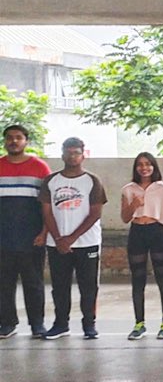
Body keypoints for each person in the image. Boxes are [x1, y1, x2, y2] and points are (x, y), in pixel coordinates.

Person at [39, 137, 107, 339]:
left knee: (88, 287)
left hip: (87, 243)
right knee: (59, 286)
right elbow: (47, 212)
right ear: (62, 154)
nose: (72, 156)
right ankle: (61, 324)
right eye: (68, 152)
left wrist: (71, 238)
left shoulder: (92, 181)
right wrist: (59, 238)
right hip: (56, 244)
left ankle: (89, 324)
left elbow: (95, 213)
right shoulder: (51, 181)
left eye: (76, 152)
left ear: (82, 155)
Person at [0, 123, 50, 339]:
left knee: (34, 283)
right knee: (3, 285)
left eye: (18, 137)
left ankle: (37, 325)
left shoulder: (40, 168)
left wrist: (44, 232)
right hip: (3, 239)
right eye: (9, 137)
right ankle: (7, 323)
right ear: (5, 141)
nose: (14, 141)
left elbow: (48, 205)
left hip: (32, 239)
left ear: (26, 141)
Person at [120, 152, 163, 340]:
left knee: (162, 277)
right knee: (138, 278)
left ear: (154, 166)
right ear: (135, 168)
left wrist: (158, 217)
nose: (144, 168)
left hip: (157, 232)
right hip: (137, 232)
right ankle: (139, 323)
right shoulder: (129, 189)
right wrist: (134, 205)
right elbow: (125, 217)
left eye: (148, 164)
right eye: (140, 165)